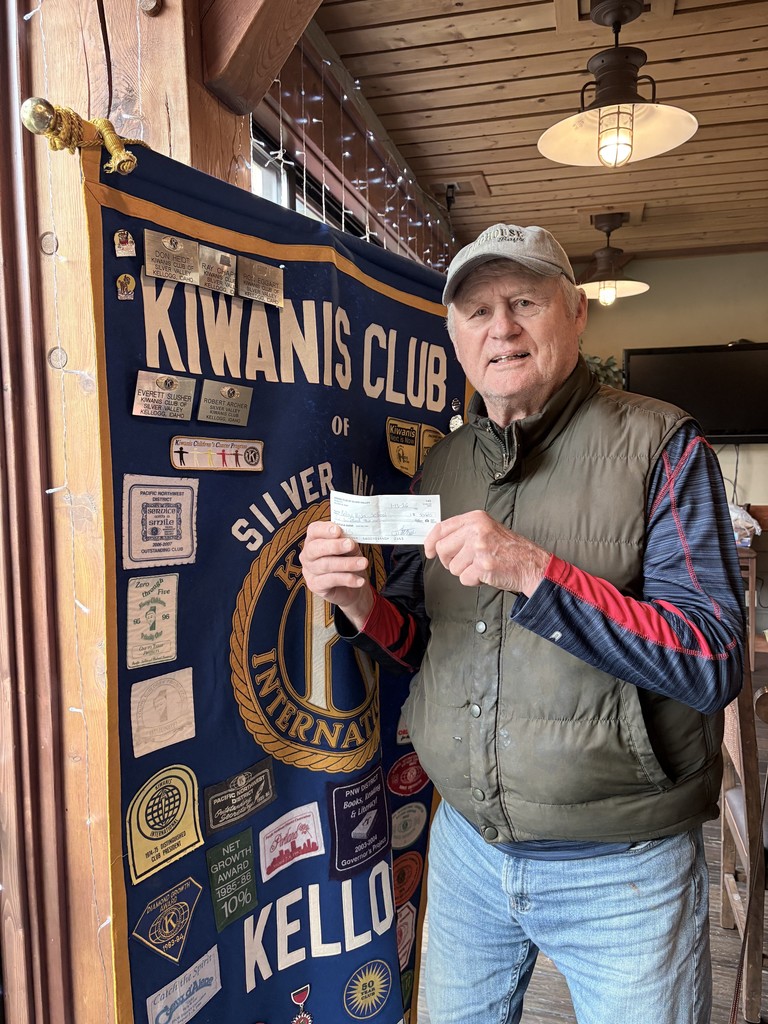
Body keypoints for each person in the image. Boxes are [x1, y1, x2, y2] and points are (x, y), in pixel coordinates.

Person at [299, 223, 745, 1024]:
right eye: (476, 311)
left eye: (524, 302)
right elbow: (427, 643)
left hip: (625, 871)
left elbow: (711, 660)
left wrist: (538, 576)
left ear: (574, 314)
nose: (499, 327)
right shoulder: (444, 463)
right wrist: (360, 605)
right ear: (455, 340)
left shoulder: (663, 445)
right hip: (469, 850)